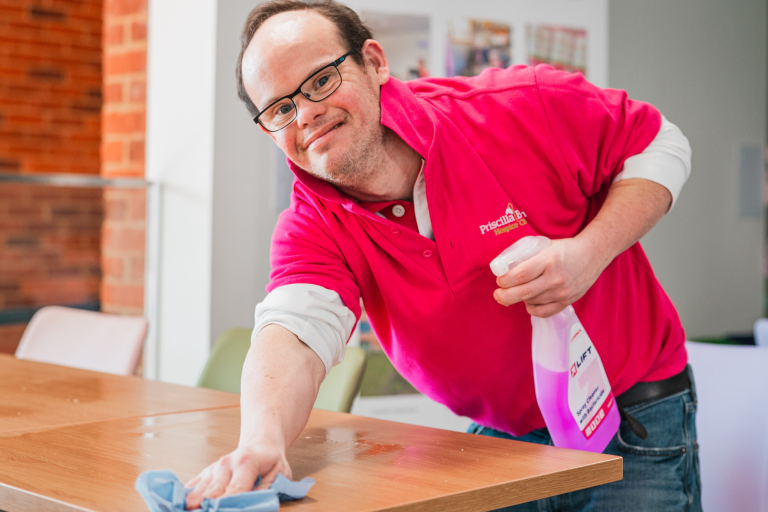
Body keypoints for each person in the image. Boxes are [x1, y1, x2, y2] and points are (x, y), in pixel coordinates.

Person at [185, 1, 699, 510]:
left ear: (374, 62)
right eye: (280, 109)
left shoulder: (520, 104)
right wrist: (260, 441)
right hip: (494, 442)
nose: (307, 114)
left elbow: (660, 144)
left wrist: (590, 252)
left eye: (321, 80)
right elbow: (295, 332)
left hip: (631, 423)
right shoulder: (312, 221)